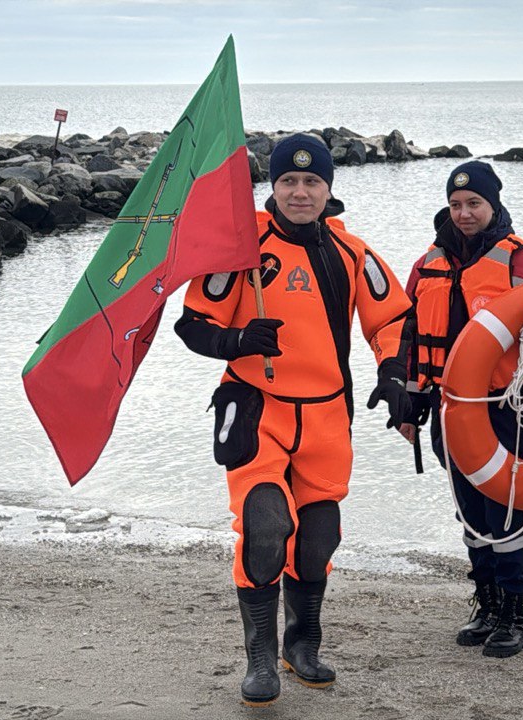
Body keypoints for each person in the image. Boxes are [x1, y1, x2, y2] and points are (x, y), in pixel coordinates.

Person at [174, 134, 413, 706]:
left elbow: (393, 320)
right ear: (271, 187)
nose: (300, 192)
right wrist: (235, 339)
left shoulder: (353, 252)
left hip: (328, 415)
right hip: (259, 408)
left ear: (329, 188)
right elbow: (191, 324)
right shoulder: (241, 248)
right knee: (264, 527)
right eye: (288, 181)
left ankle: (300, 644)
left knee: (317, 538)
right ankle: (259, 657)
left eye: (312, 182)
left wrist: (394, 374)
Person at [398, 161, 523, 659]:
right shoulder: (427, 266)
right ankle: (486, 602)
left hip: (509, 410)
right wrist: (409, 401)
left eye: (474, 204)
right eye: (456, 204)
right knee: (471, 515)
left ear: (493, 205)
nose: (464, 213)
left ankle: (515, 611)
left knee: (505, 514)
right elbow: (408, 338)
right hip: (450, 410)